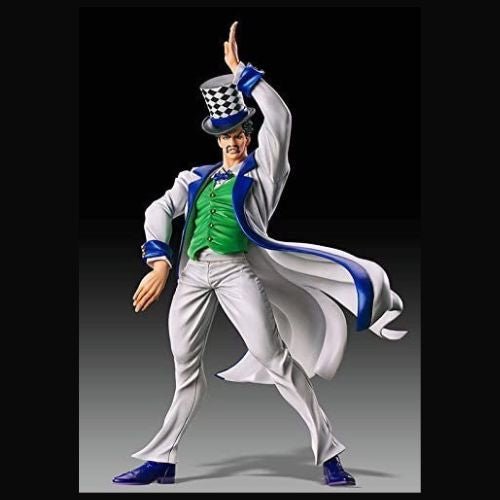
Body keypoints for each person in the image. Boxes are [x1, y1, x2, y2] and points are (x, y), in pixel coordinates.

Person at [112, 21, 406, 487]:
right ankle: (162, 460)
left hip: (236, 272)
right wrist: (160, 262)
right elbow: (159, 209)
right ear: (216, 139)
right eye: (224, 135)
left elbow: (281, 119)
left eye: (239, 133)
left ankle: (330, 454)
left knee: (276, 359)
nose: (232, 141)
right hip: (193, 275)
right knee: (185, 369)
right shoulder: (195, 178)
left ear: (248, 135)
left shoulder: (264, 173)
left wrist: (243, 74)